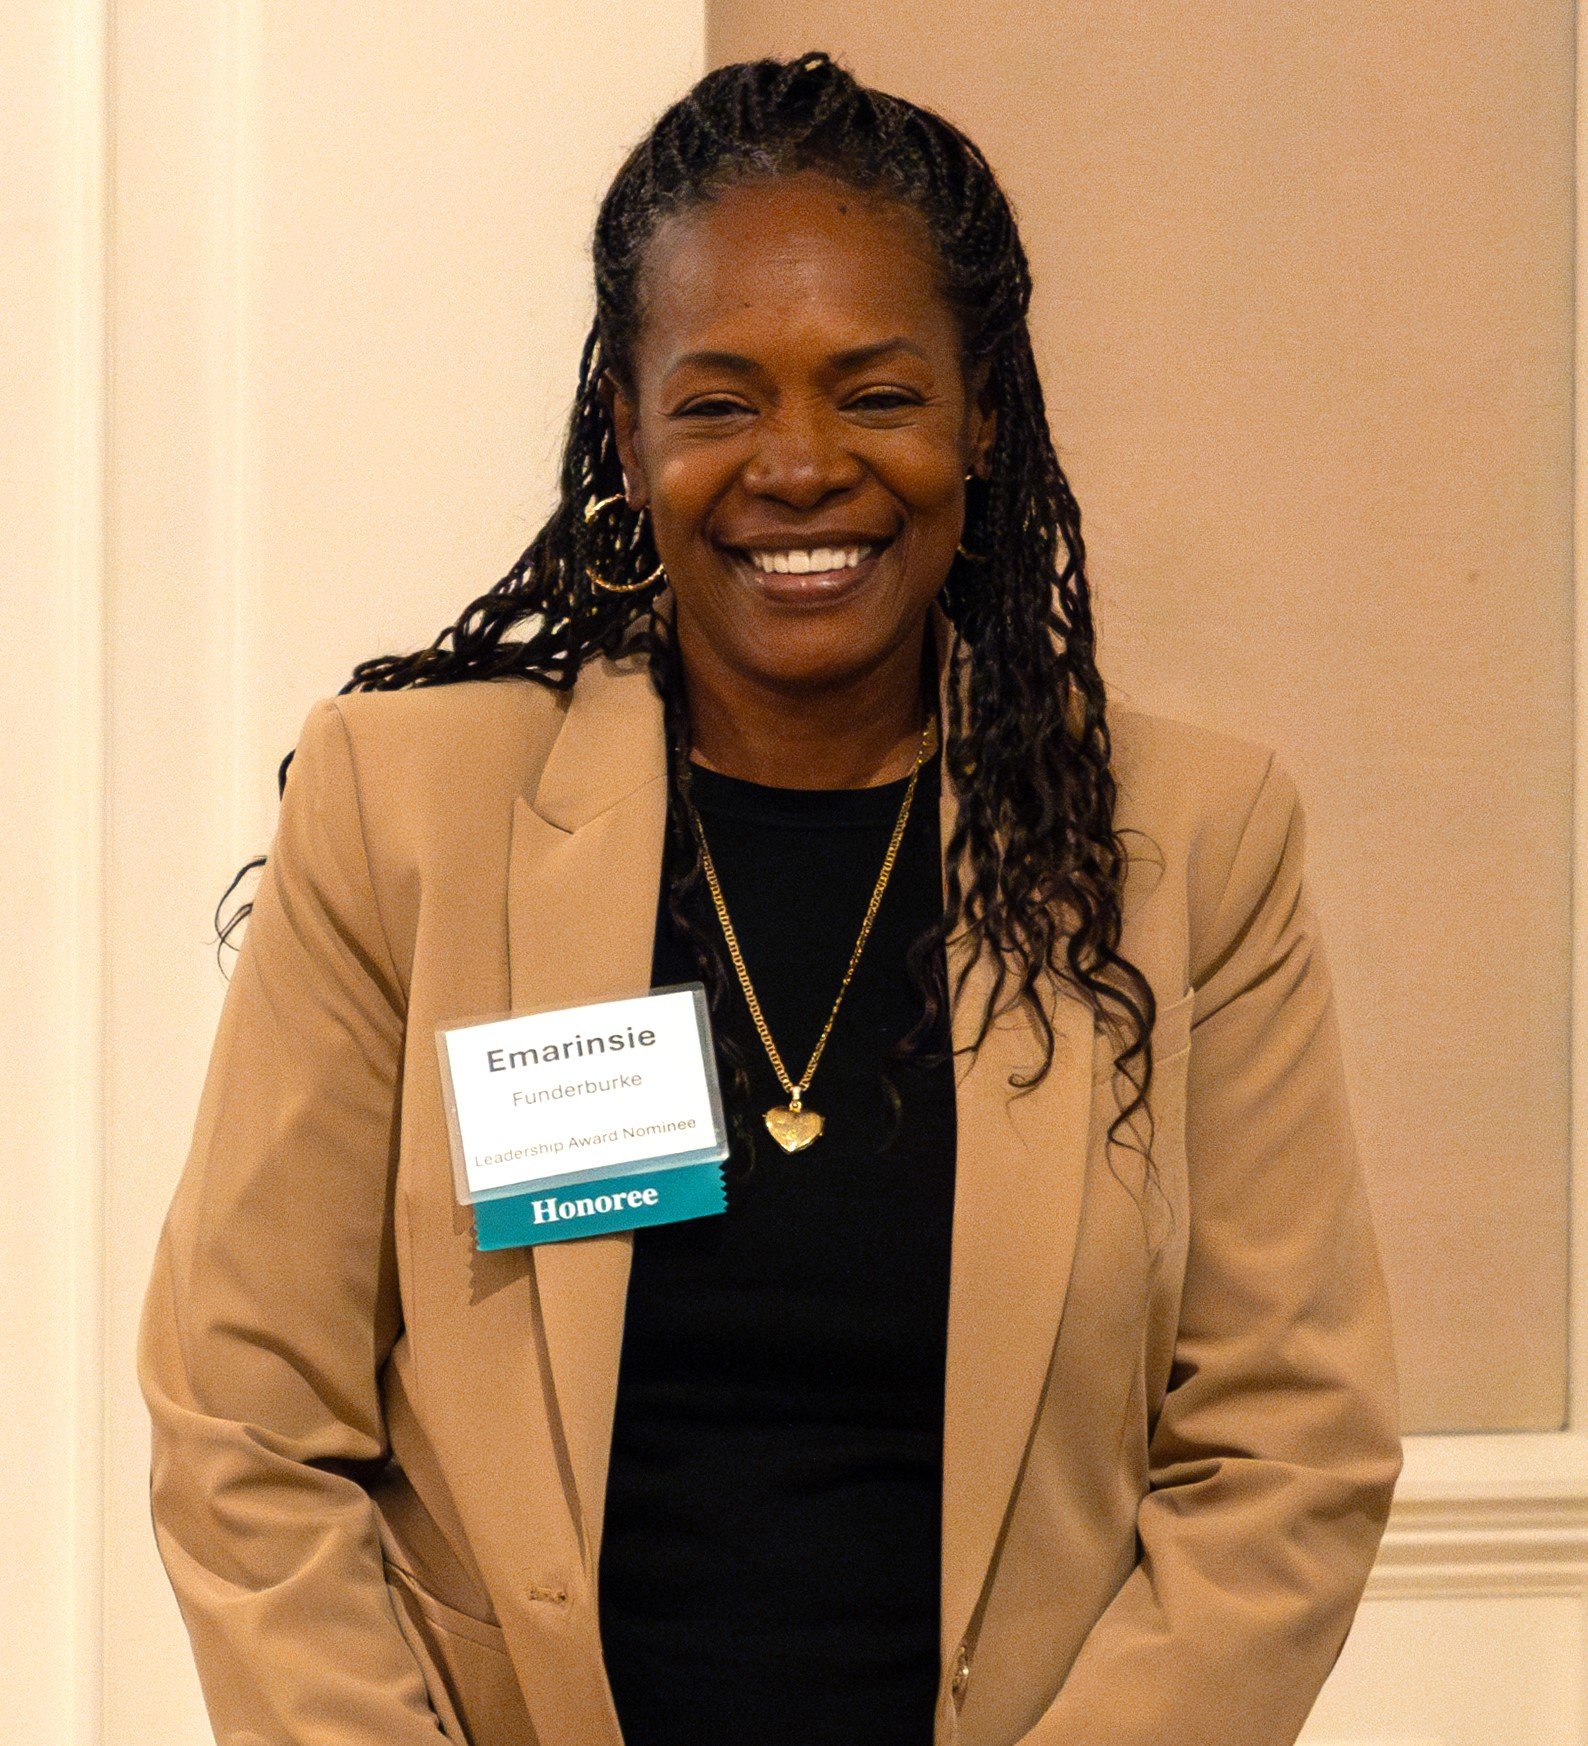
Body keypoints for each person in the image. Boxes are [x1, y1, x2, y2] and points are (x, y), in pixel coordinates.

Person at [138, 48, 1403, 1746]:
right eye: (721, 399)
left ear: (980, 421)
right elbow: (245, 1427)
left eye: (875, 394)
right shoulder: (404, 816)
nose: (797, 466)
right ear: (627, 426)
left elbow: (1285, 1448)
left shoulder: (1190, 848)